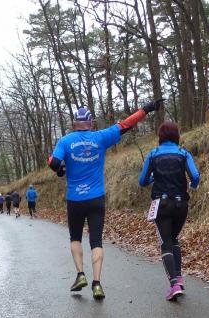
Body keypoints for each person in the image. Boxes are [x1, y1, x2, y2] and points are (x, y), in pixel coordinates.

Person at [48, 100, 163, 299]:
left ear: (74, 123)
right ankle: (97, 284)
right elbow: (126, 124)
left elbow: (54, 162)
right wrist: (147, 108)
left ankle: (80, 274)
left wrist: (59, 169)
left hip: (75, 199)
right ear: (90, 123)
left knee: (75, 238)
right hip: (96, 198)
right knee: (96, 241)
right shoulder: (100, 137)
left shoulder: (65, 141)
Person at [138, 121, 200, 301]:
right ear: (176, 136)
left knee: (166, 243)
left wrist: (153, 178)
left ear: (161, 136)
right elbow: (195, 176)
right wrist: (192, 186)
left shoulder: (153, 154)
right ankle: (179, 279)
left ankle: (174, 285)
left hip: (162, 205)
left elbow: (142, 181)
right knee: (174, 240)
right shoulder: (184, 153)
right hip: (181, 205)